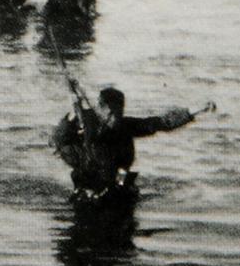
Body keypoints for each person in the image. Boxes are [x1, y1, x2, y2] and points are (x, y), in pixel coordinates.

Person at [51, 86, 209, 201]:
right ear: (100, 109)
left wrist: (194, 112)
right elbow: (58, 140)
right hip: (88, 184)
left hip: (118, 180)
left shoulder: (125, 126)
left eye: (119, 113)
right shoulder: (85, 124)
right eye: (111, 114)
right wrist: (71, 117)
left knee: (121, 188)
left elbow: (160, 123)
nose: (115, 119)